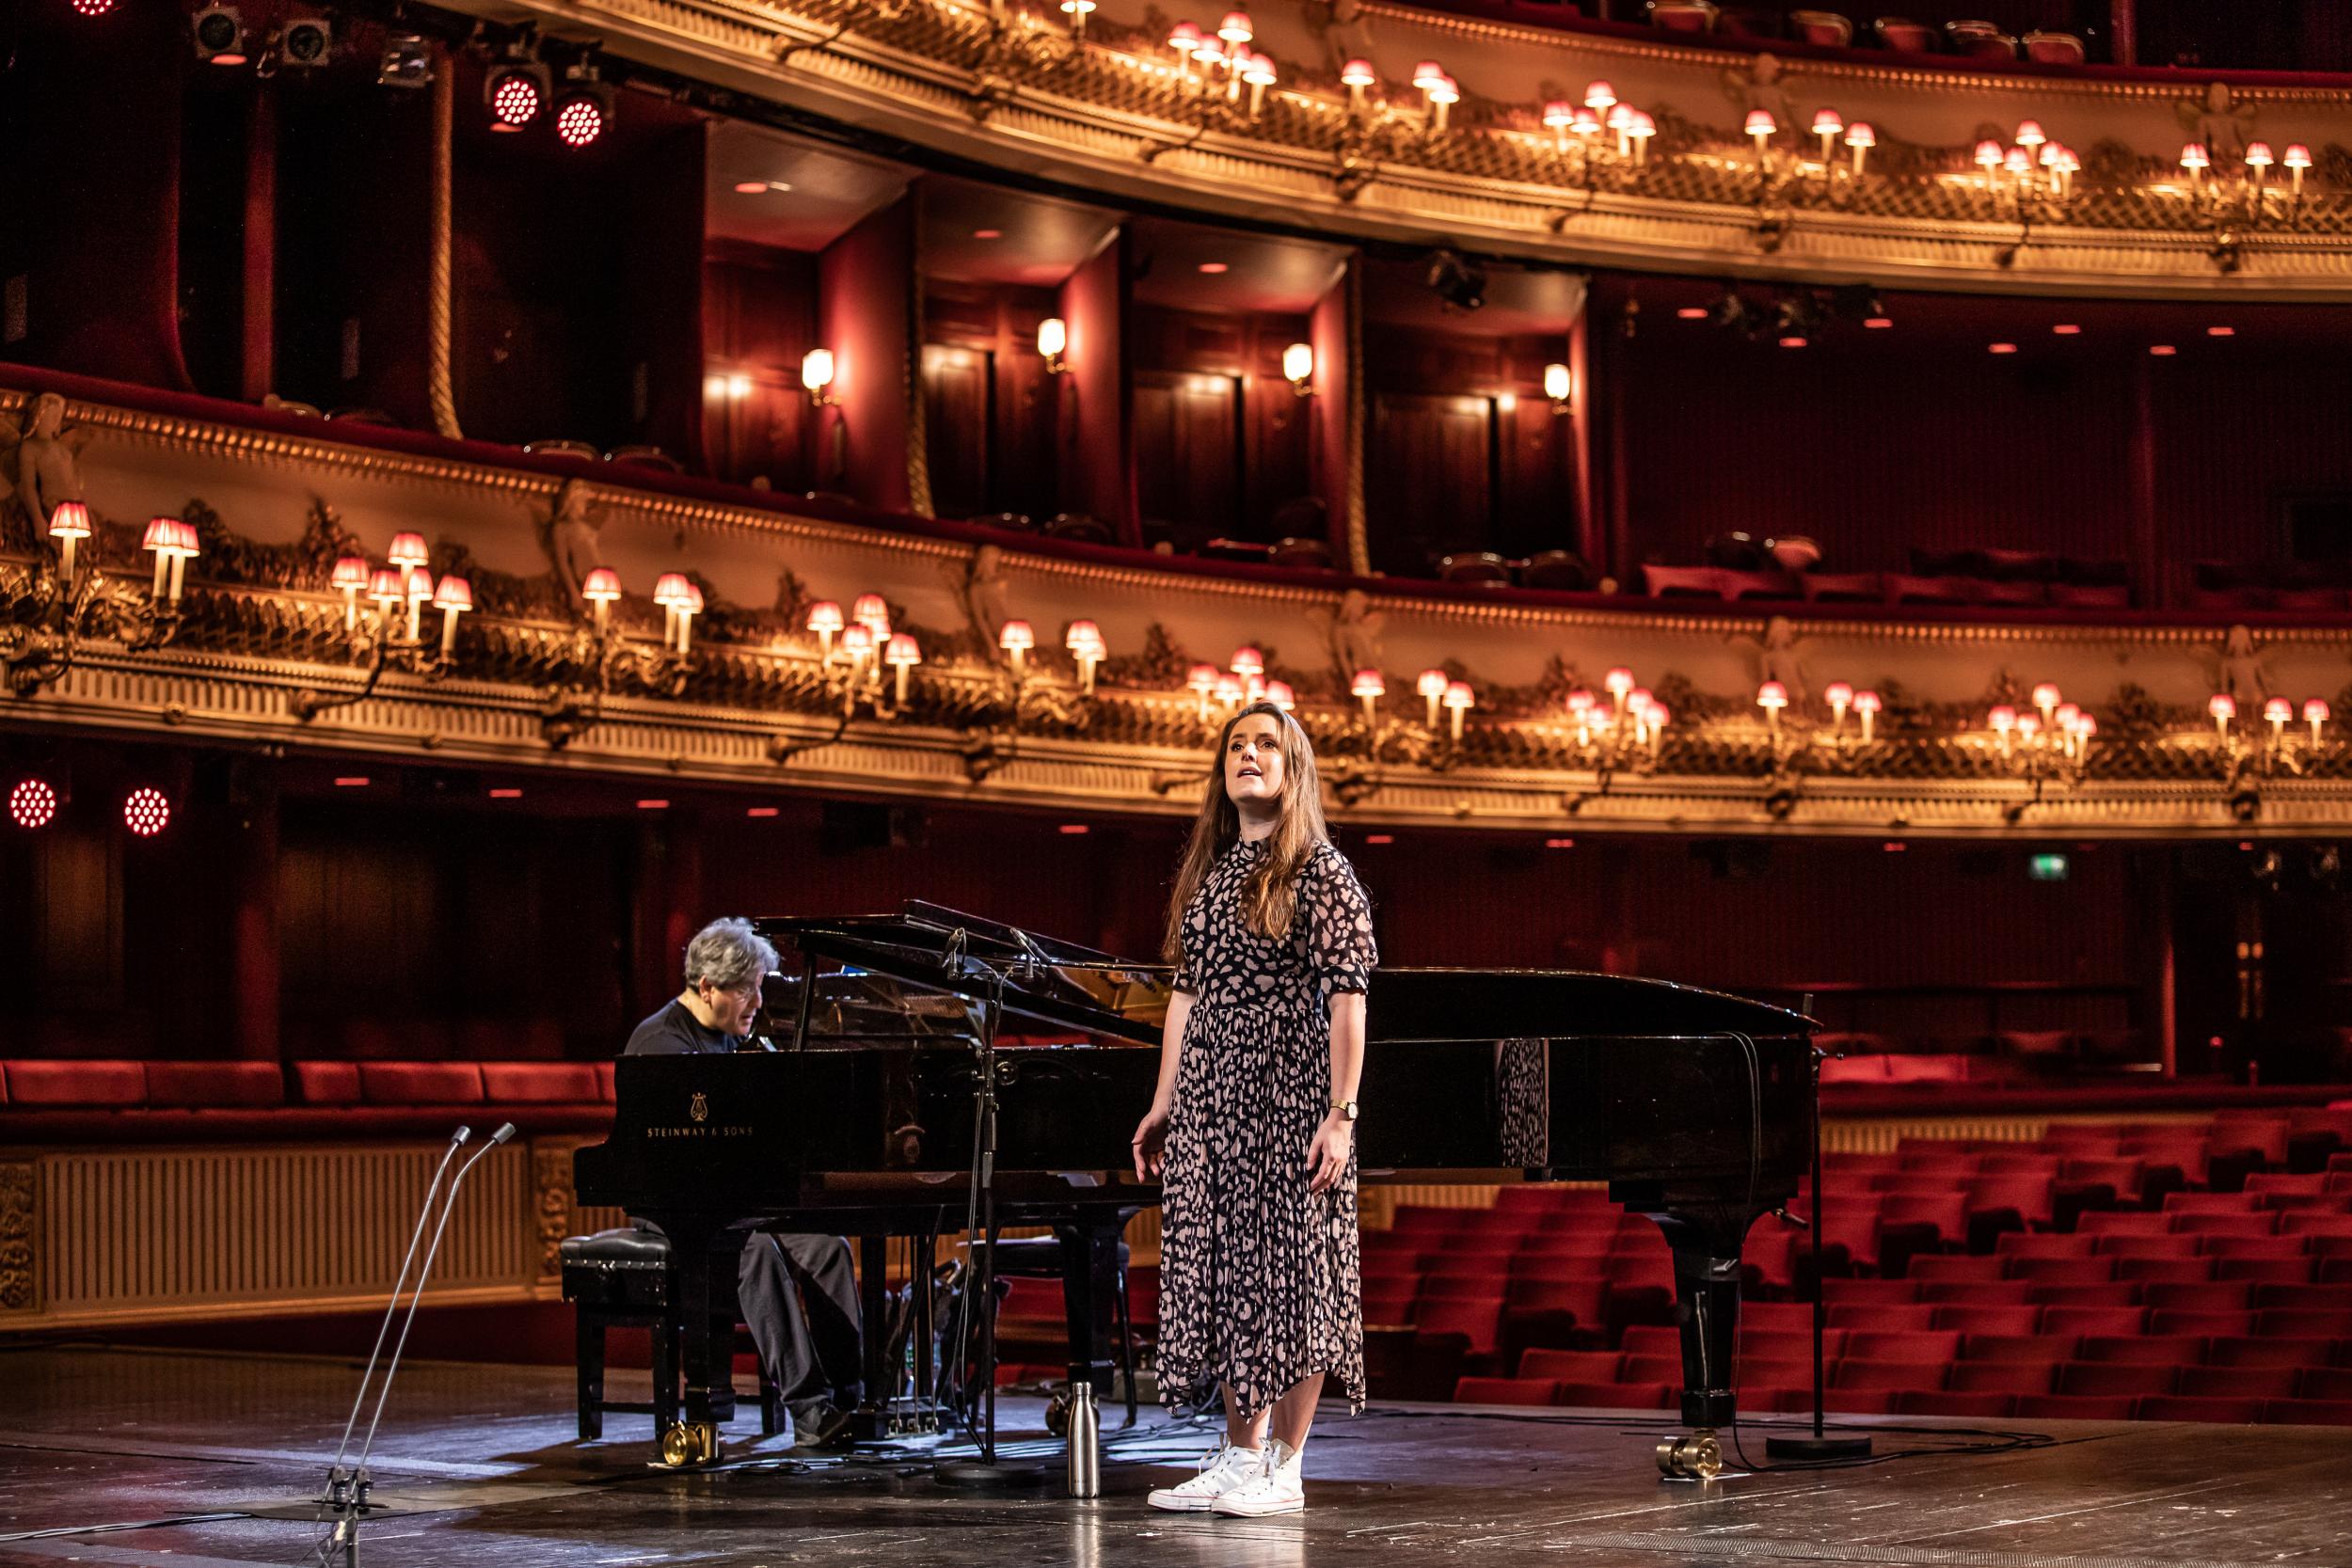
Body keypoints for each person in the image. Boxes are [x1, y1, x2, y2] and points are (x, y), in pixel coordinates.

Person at [1131, 701, 1376, 1517]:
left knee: (1298, 1274)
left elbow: (1348, 1000)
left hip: (1289, 1088)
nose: (1247, 754)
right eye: (1236, 744)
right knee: (1235, 1271)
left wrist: (1341, 1113)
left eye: (1266, 743)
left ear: (1292, 767)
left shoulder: (1319, 867)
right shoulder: (1209, 872)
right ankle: (1242, 1456)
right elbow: (1185, 995)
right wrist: (1165, 1101)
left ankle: (1285, 1465)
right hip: (1210, 1091)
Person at [624, 917, 865, 1447]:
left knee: (826, 1246)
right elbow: (670, 1164)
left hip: (730, 1198)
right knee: (751, 1252)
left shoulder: (730, 1039)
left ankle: (854, 1396)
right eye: (745, 989)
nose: (757, 1001)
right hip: (670, 1205)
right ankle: (809, 1409)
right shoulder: (662, 1047)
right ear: (707, 987)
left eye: (758, 987)